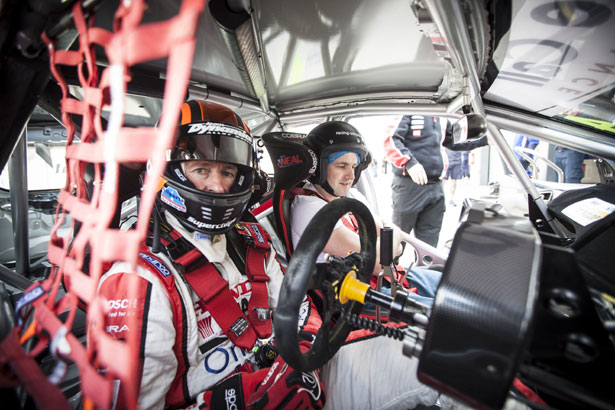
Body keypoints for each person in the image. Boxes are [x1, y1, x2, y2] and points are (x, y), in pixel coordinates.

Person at [97, 100, 325, 409]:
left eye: (228, 172)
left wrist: (301, 361)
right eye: (201, 170)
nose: (217, 187)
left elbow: (299, 311)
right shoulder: (138, 279)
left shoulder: (252, 241)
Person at [288, 121, 453, 410]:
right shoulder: (308, 209)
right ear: (316, 167)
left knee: (454, 284)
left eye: (354, 165)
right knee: (455, 318)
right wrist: (389, 240)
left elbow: (390, 233)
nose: (351, 175)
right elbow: (377, 259)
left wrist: (390, 239)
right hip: (362, 303)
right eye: (341, 165)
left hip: (393, 283)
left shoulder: (350, 196)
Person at [384, 115, 488, 247]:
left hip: (435, 185)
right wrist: (409, 162)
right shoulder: (408, 110)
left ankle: (426, 267)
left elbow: (454, 141)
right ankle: (390, 267)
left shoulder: (441, 117)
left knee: (429, 242)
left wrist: (484, 140)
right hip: (409, 186)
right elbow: (391, 139)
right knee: (397, 239)